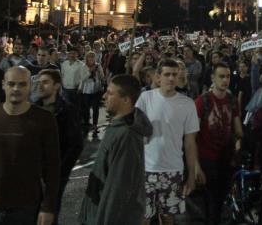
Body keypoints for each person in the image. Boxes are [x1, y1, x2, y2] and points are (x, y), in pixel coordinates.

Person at [0, 66, 60, 225]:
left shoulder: (45, 119)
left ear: (30, 86)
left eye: (22, 84)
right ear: (3, 84)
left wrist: (48, 207)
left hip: (28, 207)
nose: (16, 89)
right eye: (11, 84)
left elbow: (52, 166)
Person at [79, 74, 152, 225]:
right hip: (96, 211)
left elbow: (118, 189)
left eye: (110, 93)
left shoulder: (127, 136)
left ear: (126, 100)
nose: (104, 96)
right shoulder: (117, 127)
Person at [135, 59, 200, 225]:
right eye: (167, 74)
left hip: (173, 170)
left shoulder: (187, 104)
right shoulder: (145, 98)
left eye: (174, 74)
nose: (171, 78)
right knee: (143, 218)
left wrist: (191, 175)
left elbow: (190, 143)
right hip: (146, 169)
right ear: (158, 77)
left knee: (168, 218)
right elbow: (134, 133)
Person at [195, 62, 243, 225]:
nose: (225, 80)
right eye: (221, 76)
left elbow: (237, 129)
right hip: (207, 158)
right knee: (212, 203)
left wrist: (238, 142)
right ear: (212, 78)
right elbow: (192, 136)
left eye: (228, 76)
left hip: (226, 158)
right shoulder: (202, 101)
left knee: (220, 200)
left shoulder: (232, 101)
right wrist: (196, 166)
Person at [36, 69, 84, 224]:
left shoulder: (66, 110)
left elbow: (76, 145)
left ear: (56, 86)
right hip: (33, 173)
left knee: (48, 213)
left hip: (54, 174)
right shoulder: (33, 109)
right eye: (39, 82)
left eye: (45, 82)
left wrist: (60, 171)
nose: (40, 86)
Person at [79, 51, 104, 133]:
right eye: (90, 56)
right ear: (87, 58)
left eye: (93, 56)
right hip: (86, 90)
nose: (91, 58)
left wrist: (102, 84)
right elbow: (83, 78)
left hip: (96, 90)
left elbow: (102, 76)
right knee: (86, 108)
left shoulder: (98, 65)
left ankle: (95, 125)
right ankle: (87, 124)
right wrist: (90, 71)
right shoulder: (83, 66)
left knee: (96, 108)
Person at [59, 47, 89, 113]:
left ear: (77, 54)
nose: (72, 55)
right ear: (68, 54)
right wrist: (61, 87)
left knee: (76, 109)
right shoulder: (64, 64)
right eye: (70, 53)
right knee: (66, 109)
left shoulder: (81, 64)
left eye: (74, 53)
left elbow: (84, 77)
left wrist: (80, 87)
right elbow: (62, 75)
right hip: (65, 89)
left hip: (75, 90)